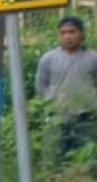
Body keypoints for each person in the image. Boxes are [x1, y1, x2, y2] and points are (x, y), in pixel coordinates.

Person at [35, 15, 97, 160]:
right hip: (56, 117)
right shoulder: (48, 59)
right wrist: (50, 103)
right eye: (63, 33)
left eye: (72, 32)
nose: (67, 36)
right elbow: (41, 86)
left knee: (85, 159)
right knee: (53, 157)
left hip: (85, 116)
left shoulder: (93, 58)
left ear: (82, 34)